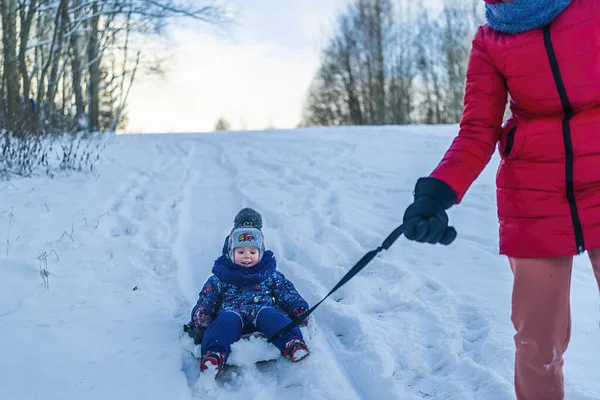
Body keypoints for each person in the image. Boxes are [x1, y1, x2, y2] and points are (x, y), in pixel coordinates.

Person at [400, 0, 600, 399]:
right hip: (532, 195)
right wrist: (435, 194)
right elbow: (477, 130)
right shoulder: (490, 40)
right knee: (537, 344)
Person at [190, 207, 310, 373]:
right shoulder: (221, 276)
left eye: (252, 252)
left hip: (261, 309)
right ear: (230, 253)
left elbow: (286, 291)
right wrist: (202, 311)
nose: (247, 256)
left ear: (260, 253)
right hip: (231, 311)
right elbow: (208, 296)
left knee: (274, 317)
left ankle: (292, 343)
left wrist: (297, 307)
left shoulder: (268, 274)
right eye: (240, 252)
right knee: (223, 324)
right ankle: (214, 354)